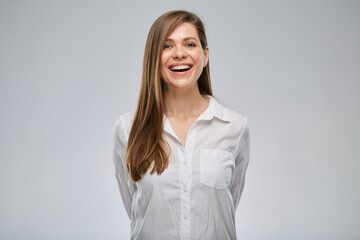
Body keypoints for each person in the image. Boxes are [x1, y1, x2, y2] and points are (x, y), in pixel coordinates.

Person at [113, 10, 250, 240]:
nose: (179, 54)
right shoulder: (127, 129)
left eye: (189, 44)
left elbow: (227, 206)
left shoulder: (235, 127)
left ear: (205, 56)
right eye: (167, 46)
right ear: (153, 58)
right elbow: (137, 210)